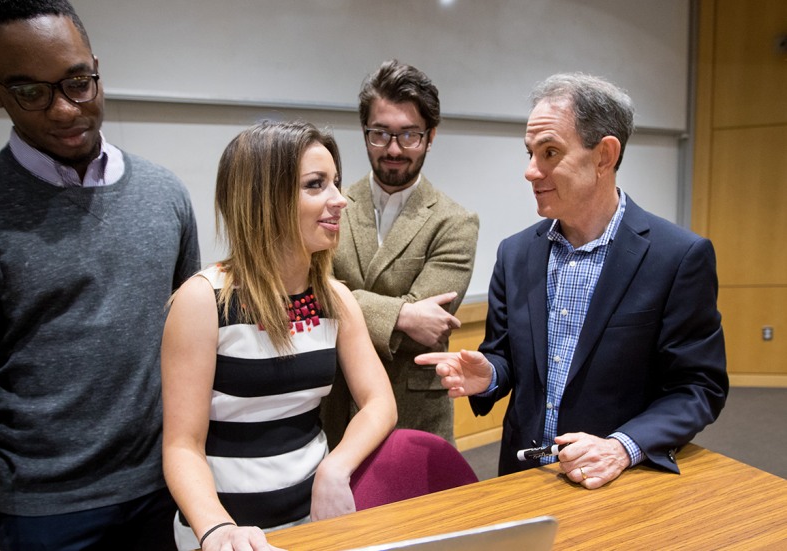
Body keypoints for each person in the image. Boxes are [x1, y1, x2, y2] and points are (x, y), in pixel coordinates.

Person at [0, 1, 200, 549]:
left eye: (77, 82)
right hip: (48, 514)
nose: (64, 110)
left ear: (95, 69)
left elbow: (194, 350)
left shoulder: (165, 195)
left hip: (172, 488)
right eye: (31, 92)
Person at [416, 73, 728, 489]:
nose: (531, 171)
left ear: (604, 156)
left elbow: (697, 387)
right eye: (529, 153)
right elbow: (505, 354)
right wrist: (489, 374)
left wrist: (621, 446)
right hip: (524, 477)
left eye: (549, 152)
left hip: (618, 480)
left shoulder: (677, 257)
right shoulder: (516, 253)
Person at [161, 121, 397, 551]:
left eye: (336, 183)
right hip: (226, 533)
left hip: (312, 524)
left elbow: (380, 402)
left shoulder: (335, 299)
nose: (339, 200)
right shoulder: (203, 300)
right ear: (264, 198)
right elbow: (182, 446)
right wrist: (216, 528)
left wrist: (335, 468)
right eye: (316, 185)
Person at [321, 60, 479, 445]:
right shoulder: (331, 204)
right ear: (364, 132)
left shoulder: (455, 221)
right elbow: (310, 296)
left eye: (409, 135)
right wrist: (404, 313)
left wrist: (336, 299)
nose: (393, 149)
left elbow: (427, 330)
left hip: (413, 417)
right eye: (381, 133)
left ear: (430, 136)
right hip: (332, 410)